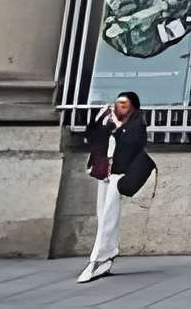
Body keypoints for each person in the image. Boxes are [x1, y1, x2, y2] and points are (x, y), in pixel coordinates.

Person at [77, 90, 157, 283]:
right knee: (102, 213)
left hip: (121, 173)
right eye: (119, 103)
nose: (120, 107)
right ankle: (108, 254)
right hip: (104, 171)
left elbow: (134, 144)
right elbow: (91, 136)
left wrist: (118, 128)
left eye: (125, 104)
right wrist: (101, 122)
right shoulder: (108, 117)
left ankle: (98, 259)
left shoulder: (137, 123)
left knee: (109, 215)